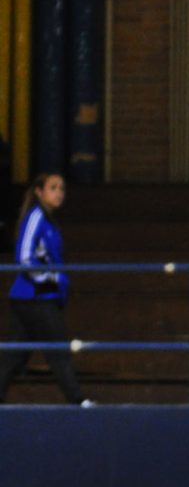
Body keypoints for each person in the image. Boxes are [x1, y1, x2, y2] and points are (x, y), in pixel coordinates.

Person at [0, 173, 94, 407]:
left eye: (62, 188)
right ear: (39, 192)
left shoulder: (50, 222)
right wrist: (49, 279)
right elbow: (24, 257)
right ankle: (78, 401)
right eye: (53, 188)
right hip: (35, 296)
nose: (59, 192)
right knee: (58, 348)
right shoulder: (36, 217)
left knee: (14, 355)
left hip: (34, 296)